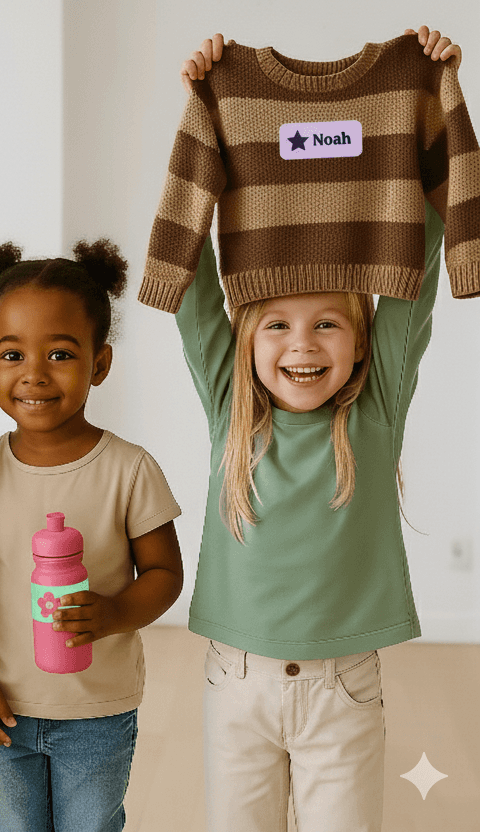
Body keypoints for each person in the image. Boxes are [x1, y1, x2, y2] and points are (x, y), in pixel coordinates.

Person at [168, 29, 463, 831]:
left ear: (362, 341)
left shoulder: (376, 405)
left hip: (344, 686)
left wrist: (430, 103)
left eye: (328, 323)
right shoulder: (229, 401)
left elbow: (416, 264)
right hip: (237, 683)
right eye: (277, 326)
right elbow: (191, 282)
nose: (302, 346)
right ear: (244, 341)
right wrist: (201, 114)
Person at [0, 241, 184, 832]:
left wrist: (114, 612)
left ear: (99, 364)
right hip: (5, 706)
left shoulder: (128, 469)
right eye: (12, 354)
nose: (34, 373)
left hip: (97, 709)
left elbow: (164, 574)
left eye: (60, 354)